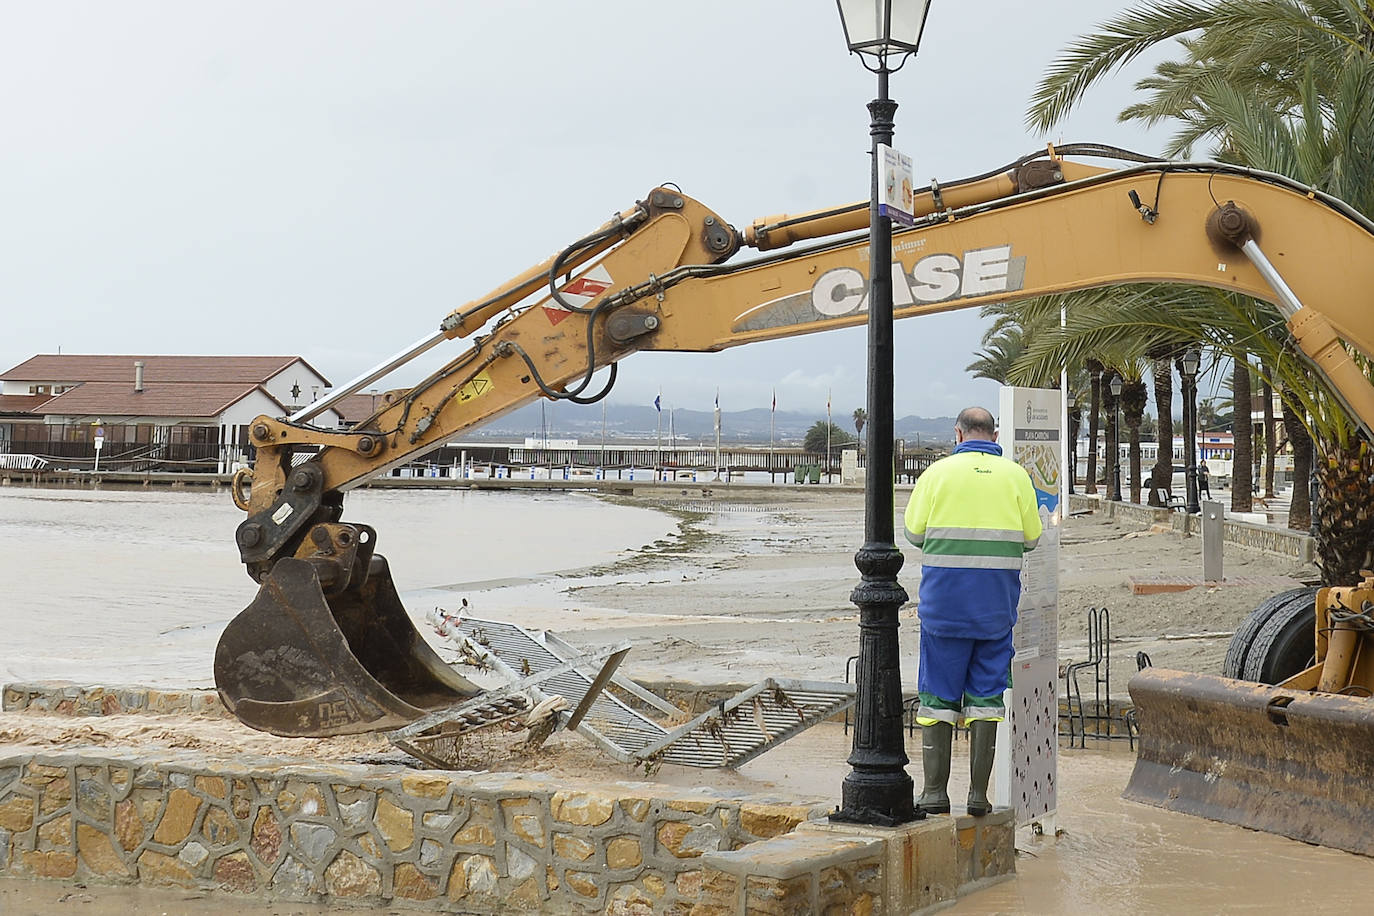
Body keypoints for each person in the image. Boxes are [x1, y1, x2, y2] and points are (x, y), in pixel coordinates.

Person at [903, 406, 1043, 816]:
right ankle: (978, 796)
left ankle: (934, 794)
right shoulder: (1017, 476)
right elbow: (1032, 539)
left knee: (937, 698)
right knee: (986, 697)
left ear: (958, 434)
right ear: (993, 435)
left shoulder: (937, 474)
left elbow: (913, 534)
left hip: (943, 609)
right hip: (996, 609)